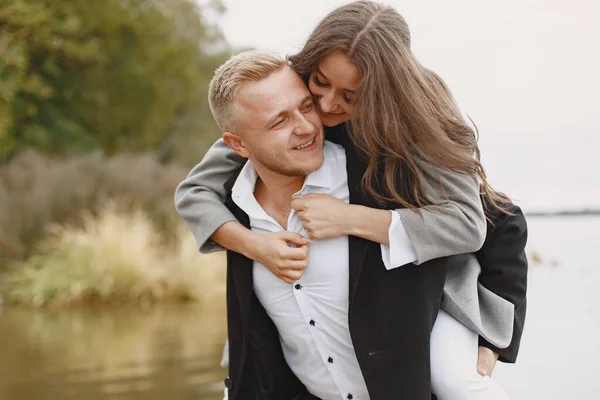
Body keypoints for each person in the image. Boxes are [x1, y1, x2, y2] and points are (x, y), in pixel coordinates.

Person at [176, 2, 527, 399]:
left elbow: (492, 221)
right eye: (319, 83)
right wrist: (255, 246)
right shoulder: (285, 101)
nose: (324, 108)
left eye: (349, 95)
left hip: (439, 295)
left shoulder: (420, 122)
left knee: (455, 382)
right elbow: (196, 189)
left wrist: (349, 218)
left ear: (382, 93)